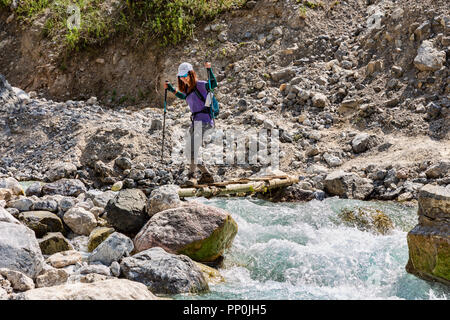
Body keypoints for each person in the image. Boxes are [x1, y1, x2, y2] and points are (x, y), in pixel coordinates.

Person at [164, 62, 218, 186]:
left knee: (193, 149)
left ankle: (192, 177)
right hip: (195, 123)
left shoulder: (200, 85)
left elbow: (213, 84)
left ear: (191, 74)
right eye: (181, 76)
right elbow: (183, 96)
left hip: (205, 121)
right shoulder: (188, 89)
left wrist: (209, 69)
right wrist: (171, 89)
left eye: (185, 75)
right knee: (189, 151)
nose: (183, 78)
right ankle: (207, 175)